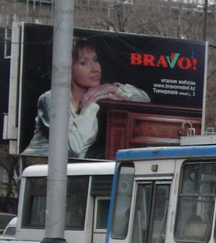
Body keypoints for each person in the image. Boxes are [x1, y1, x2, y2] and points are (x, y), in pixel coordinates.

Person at [22, 38, 150, 159]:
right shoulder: (51, 99)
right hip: (37, 170)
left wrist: (113, 88)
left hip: (71, 170)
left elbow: (144, 101)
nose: (95, 68)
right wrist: (90, 105)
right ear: (67, 69)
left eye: (95, 59)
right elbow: (74, 148)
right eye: (84, 63)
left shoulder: (99, 93)